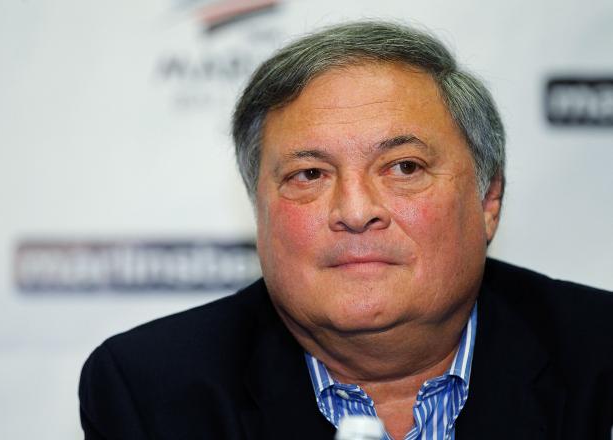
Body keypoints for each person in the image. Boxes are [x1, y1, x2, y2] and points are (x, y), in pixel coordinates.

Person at [79, 21, 613, 439]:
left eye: (404, 167)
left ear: (488, 200)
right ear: (257, 208)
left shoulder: (600, 355)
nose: (356, 211)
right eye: (309, 174)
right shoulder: (153, 390)